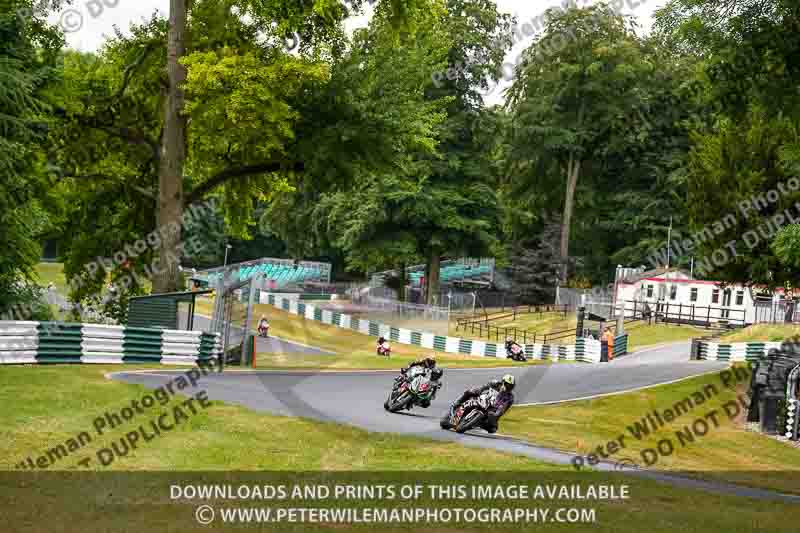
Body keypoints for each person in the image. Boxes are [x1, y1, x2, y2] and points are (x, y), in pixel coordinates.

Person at [442, 374, 515, 433]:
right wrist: (479, 390)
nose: (508, 387)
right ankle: (458, 403)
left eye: (510, 386)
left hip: (492, 410)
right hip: (484, 399)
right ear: (503, 382)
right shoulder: (495, 383)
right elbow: (484, 387)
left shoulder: (510, 397)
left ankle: (475, 423)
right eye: (507, 384)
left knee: (492, 429)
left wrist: (496, 414)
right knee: (470, 392)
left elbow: (503, 409)